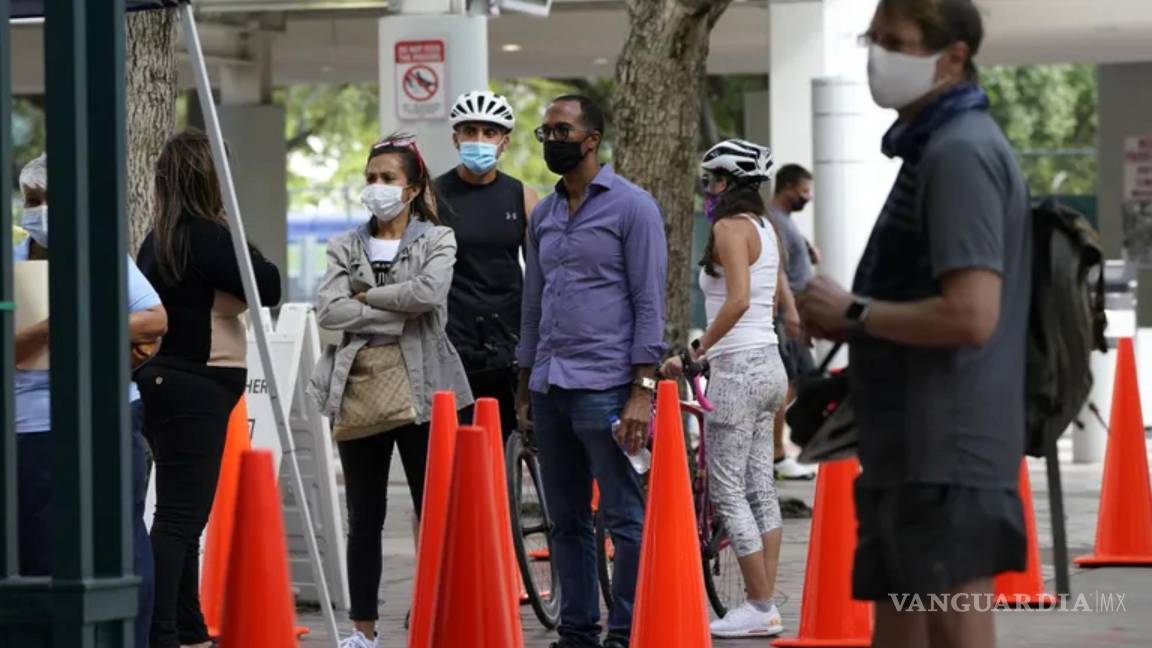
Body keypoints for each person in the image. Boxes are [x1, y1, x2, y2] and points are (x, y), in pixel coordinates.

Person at [798, 2, 1030, 647]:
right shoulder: (933, 149)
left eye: (895, 44)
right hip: (914, 446)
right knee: (903, 625)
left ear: (953, 56)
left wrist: (852, 312)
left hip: (945, 448)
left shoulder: (959, 153)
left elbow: (971, 313)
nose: (879, 58)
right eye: (873, 41)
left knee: (951, 626)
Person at [516, 94, 667, 648]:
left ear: (592, 139)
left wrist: (641, 391)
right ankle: (577, 632)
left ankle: (623, 633)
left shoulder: (632, 207)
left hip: (607, 389)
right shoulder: (546, 215)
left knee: (625, 519)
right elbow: (533, 301)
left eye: (563, 130)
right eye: (546, 131)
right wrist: (525, 381)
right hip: (551, 388)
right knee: (566, 521)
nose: (553, 139)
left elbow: (648, 302)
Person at [311, 134, 473, 648]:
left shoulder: (437, 240)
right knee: (364, 517)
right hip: (359, 390)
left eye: (388, 178)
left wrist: (367, 296)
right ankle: (363, 631)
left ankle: (433, 617)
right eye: (371, 178)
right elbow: (329, 310)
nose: (377, 188)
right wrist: (395, 311)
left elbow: (429, 294)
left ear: (413, 187)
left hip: (426, 391)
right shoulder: (344, 244)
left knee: (435, 512)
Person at [14, 153, 168, 648]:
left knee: (119, 543)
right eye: (31, 201)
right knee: (36, 552)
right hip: (30, 425)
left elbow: (154, 320)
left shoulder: (100, 254)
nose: (39, 212)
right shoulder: (15, 262)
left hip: (104, 412)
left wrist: (78, 324)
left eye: (49, 200)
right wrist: (46, 330)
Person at [136, 131, 283, 648]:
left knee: (178, 514)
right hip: (196, 386)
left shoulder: (157, 239)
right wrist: (232, 230)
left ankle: (188, 627)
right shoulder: (208, 236)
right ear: (208, 180)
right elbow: (267, 283)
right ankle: (162, 631)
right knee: (180, 519)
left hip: (161, 384)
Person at [663, 140, 799, 638]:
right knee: (760, 486)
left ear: (726, 182)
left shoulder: (727, 228)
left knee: (726, 488)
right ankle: (765, 602)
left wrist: (696, 350)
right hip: (770, 366)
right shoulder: (766, 228)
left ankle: (760, 604)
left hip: (738, 368)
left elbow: (738, 300)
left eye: (711, 180)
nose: (708, 189)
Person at [436, 90, 539, 434]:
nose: (478, 140)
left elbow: (542, 275)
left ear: (504, 142)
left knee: (509, 442)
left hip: (510, 342)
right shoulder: (433, 196)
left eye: (489, 132)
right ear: (456, 138)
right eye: (469, 131)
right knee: (457, 448)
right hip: (452, 341)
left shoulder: (522, 196)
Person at [766, 164, 818, 481]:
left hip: (795, 315)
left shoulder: (786, 223)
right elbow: (779, 272)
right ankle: (776, 454)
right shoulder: (775, 222)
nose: (808, 197)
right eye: (804, 190)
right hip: (788, 317)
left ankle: (780, 451)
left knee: (800, 381)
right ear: (787, 187)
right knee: (786, 384)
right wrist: (793, 313)